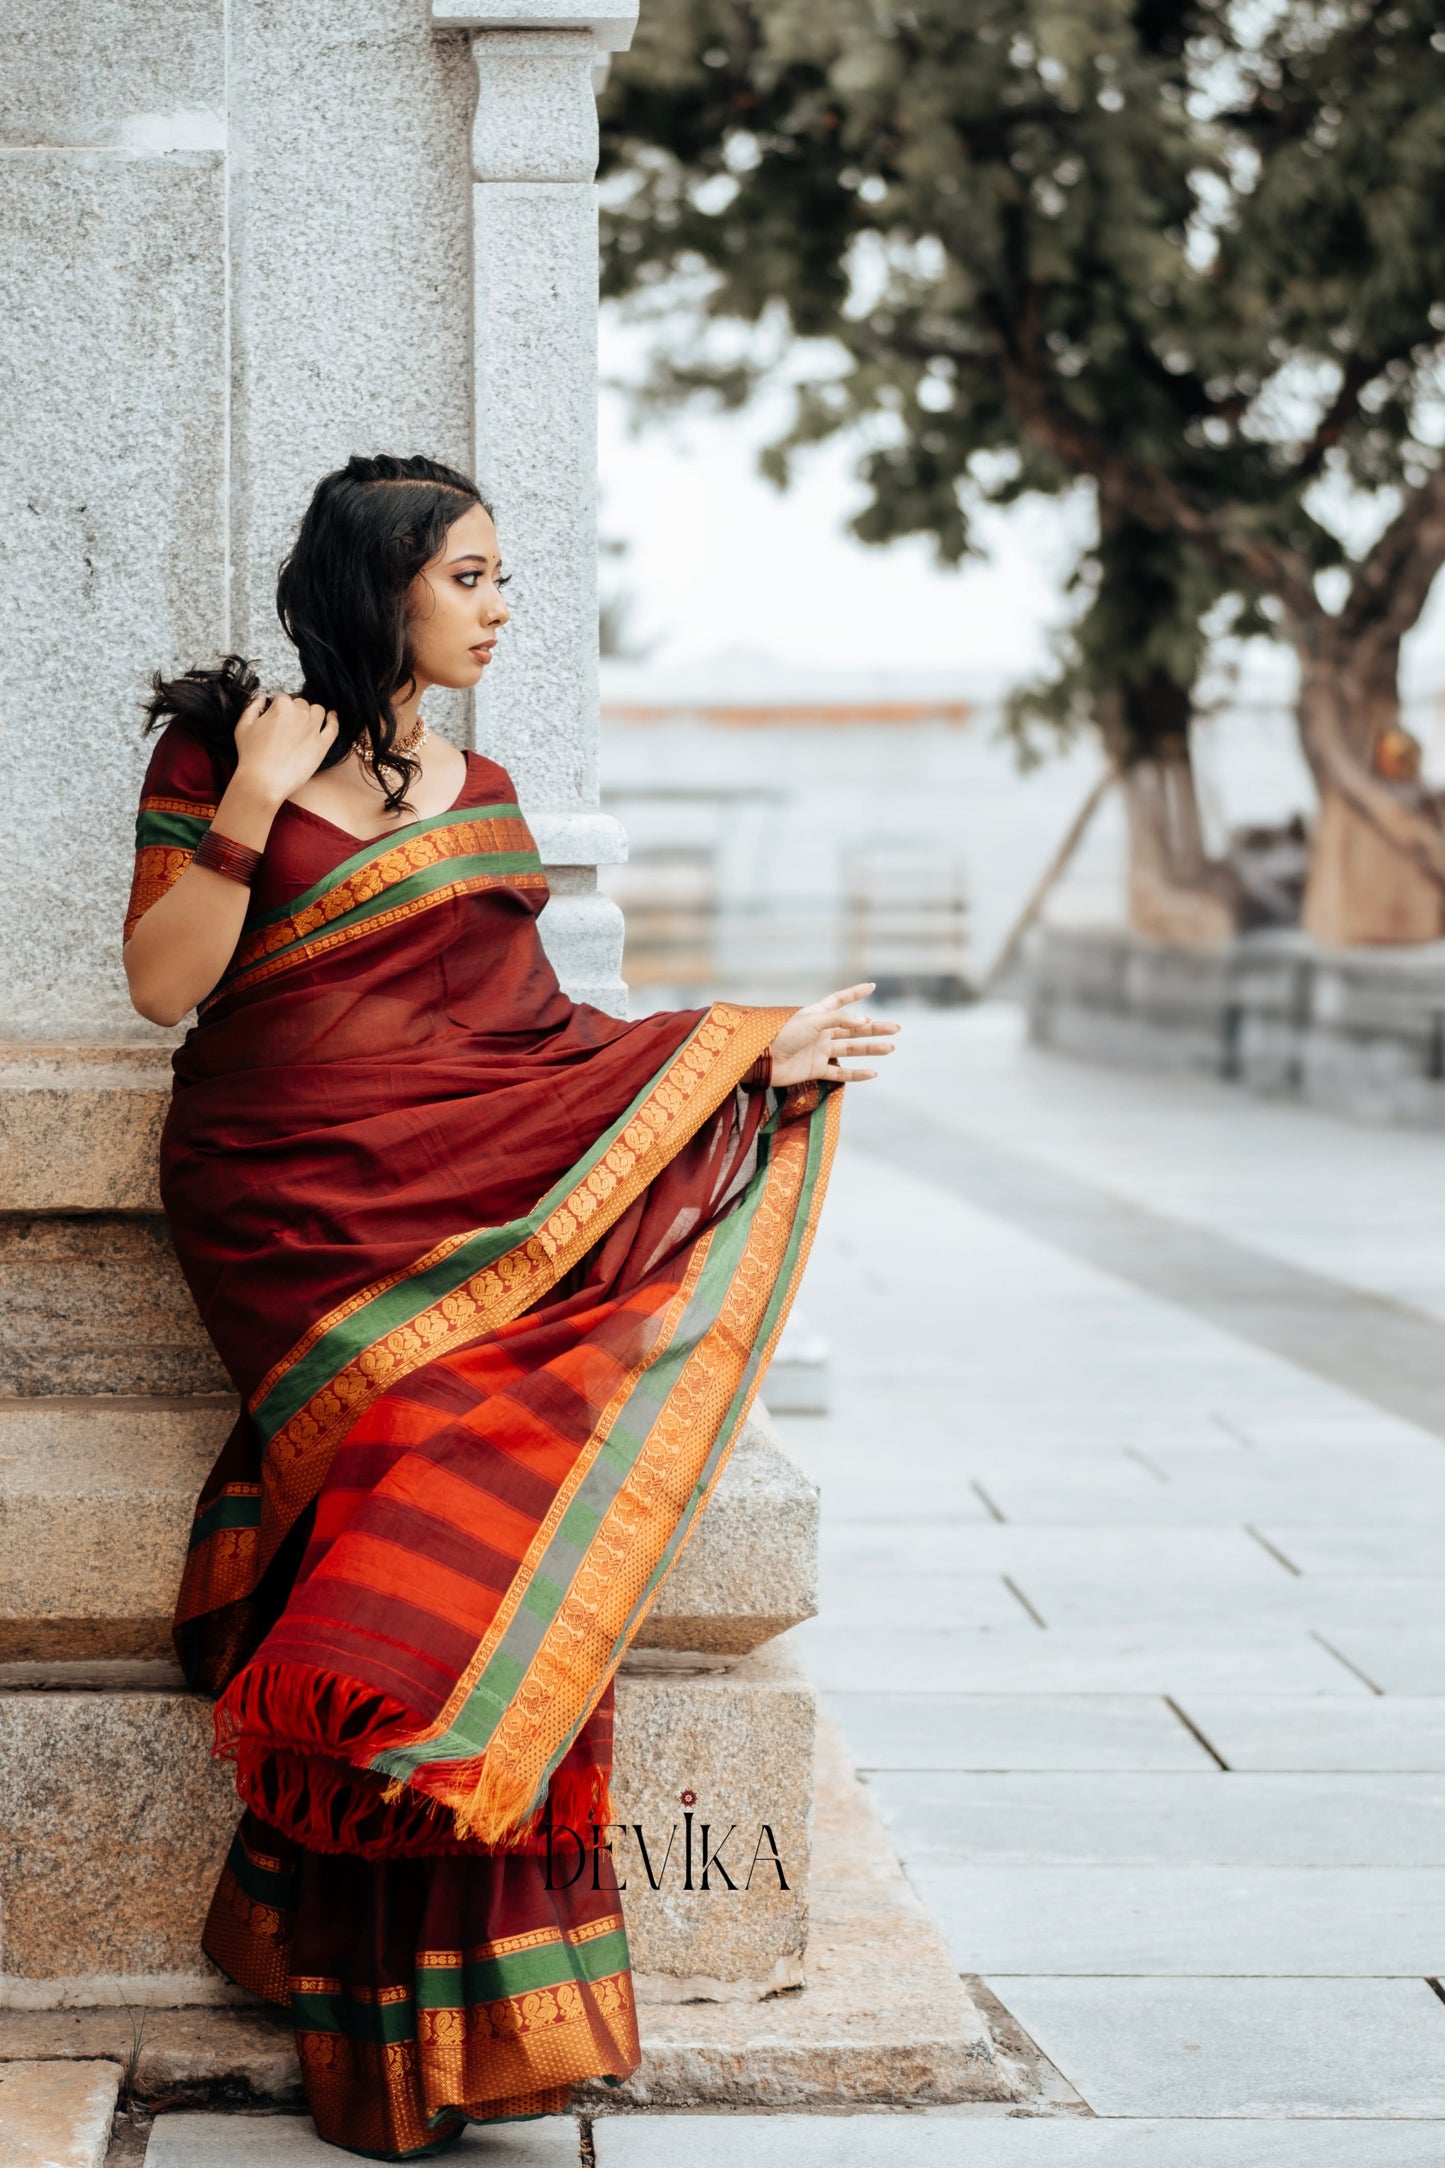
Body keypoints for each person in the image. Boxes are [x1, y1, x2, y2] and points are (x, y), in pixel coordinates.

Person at [122, 452, 897, 2159]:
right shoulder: (227, 749)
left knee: (461, 1533)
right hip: (284, 1206)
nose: (499, 605)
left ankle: (446, 2032)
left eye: (502, 576)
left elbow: (524, 1048)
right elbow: (168, 985)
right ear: (379, 583)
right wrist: (253, 796)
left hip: (450, 1202)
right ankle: (374, 2034)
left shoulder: (489, 782)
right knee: (403, 1472)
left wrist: (734, 1056)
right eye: (469, 575)